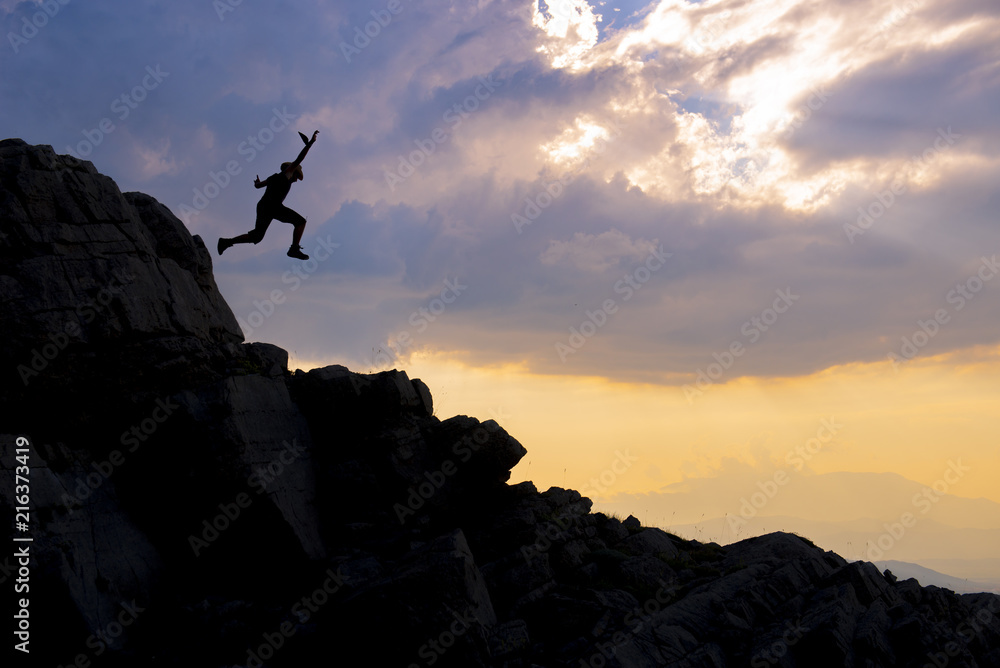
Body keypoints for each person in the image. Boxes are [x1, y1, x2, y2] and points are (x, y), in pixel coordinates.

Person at [217, 130, 319, 260]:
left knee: (257, 237)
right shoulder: (286, 174)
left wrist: (257, 183)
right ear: (292, 172)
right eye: (297, 176)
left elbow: (258, 186)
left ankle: (226, 242)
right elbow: (299, 158)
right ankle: (294, 249)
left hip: (263, 206)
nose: (297, 179)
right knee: (300, 222)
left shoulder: (273, 177)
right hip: (273, 206)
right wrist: (309, 144)